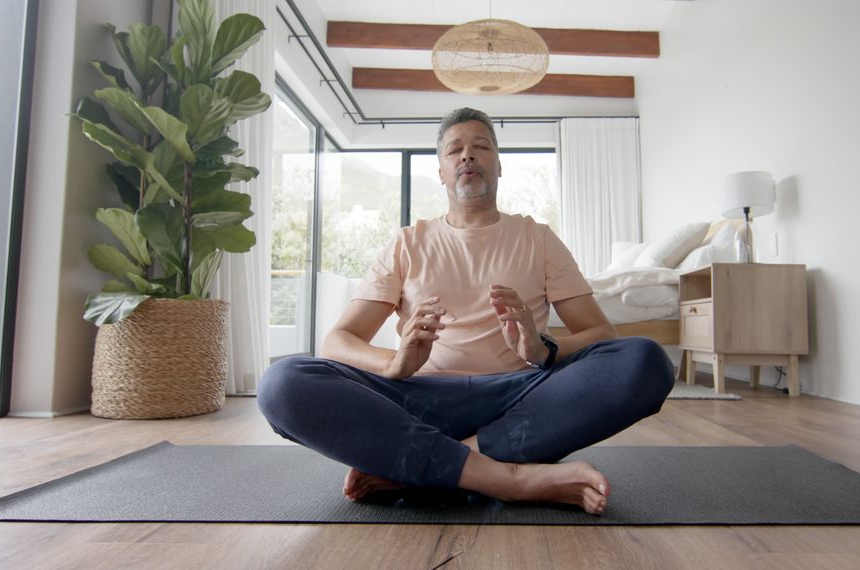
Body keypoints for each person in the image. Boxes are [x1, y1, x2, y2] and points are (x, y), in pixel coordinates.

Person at [257, 107, 674, 515]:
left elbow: (602, 335)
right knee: (282, 383)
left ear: (498, 164)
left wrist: (541, 348)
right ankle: (510, 479)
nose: (467, 155)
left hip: (519, 398)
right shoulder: (406, 242)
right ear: (440, 171)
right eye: (454, 149)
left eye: (481, 146)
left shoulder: (538, 238)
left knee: (646, 361)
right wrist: (395, 364)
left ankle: (423, 464)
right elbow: (338, 341)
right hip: (417, 400)